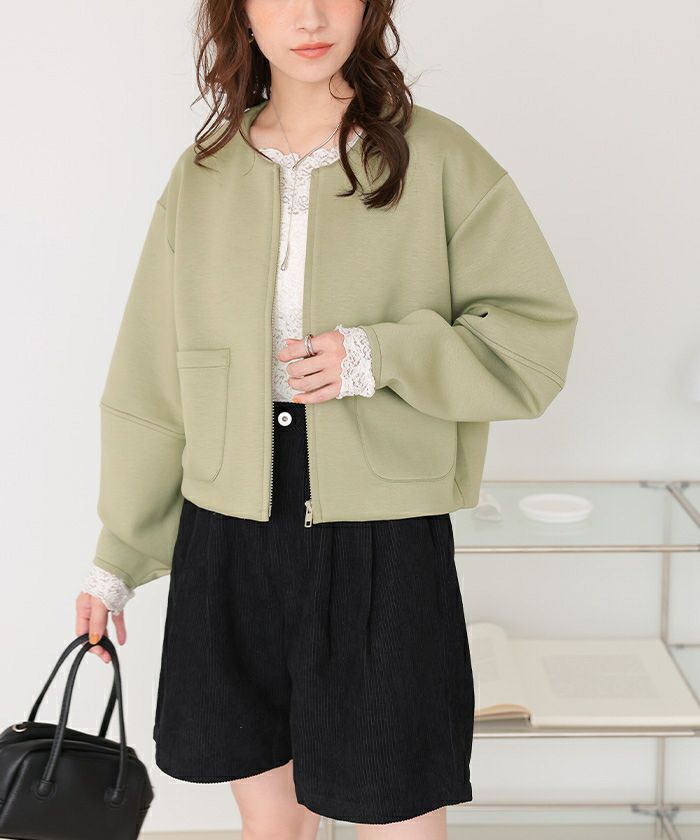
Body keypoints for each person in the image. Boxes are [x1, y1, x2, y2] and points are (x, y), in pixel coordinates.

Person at [75, 0, 578, 834]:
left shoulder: (440, 157)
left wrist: (380, 356)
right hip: (229, 528)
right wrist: (116, 556)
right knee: (271, 823)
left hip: (383, 533)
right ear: (241, 14)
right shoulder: (202, 174)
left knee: (396, 811)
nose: (309, 16)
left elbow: (534, 340)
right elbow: (150, 378)